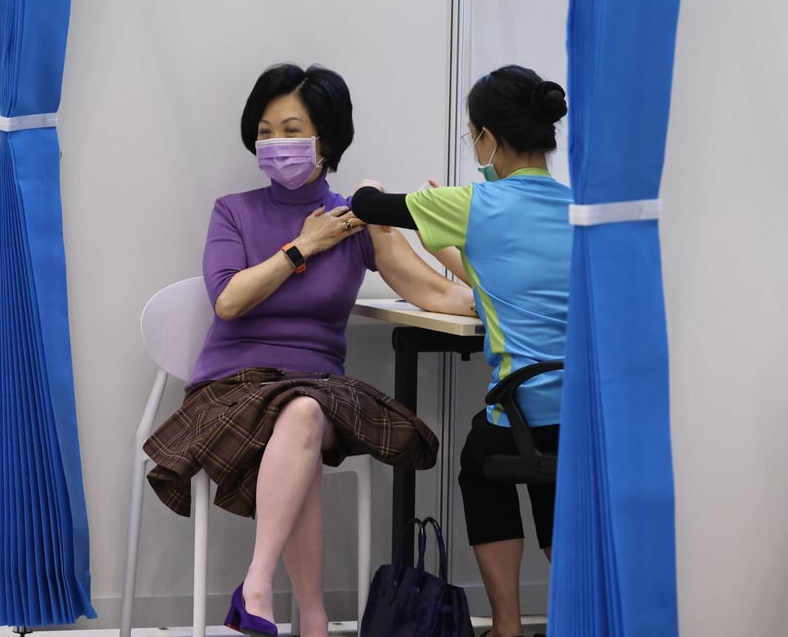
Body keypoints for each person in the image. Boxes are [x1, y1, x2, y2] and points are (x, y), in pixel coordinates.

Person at [144, 63, 476, 637]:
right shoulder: (234, 211)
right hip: (231, 387)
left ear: (328, 138)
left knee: (302, 409)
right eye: (265, 131)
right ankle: (312, 621)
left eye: (291, 129)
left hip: (320, 388)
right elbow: (228, 301)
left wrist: (455, 246)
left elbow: (437, 293)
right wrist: (303, 246)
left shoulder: (360, 218)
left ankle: (256, 587)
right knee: (297, 421)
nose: (275, 144)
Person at [351, 64, 572, 637]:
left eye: (472, 135)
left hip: (522, 407)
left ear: (489, 139)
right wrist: (440, 221)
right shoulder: (577, 209)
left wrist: (410, 200)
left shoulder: (475, 204)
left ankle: (504, 625)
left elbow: (371, 204)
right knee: (553, 476)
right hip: (583, 415)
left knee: (481, 460)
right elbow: (487, 273)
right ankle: (576, 613)